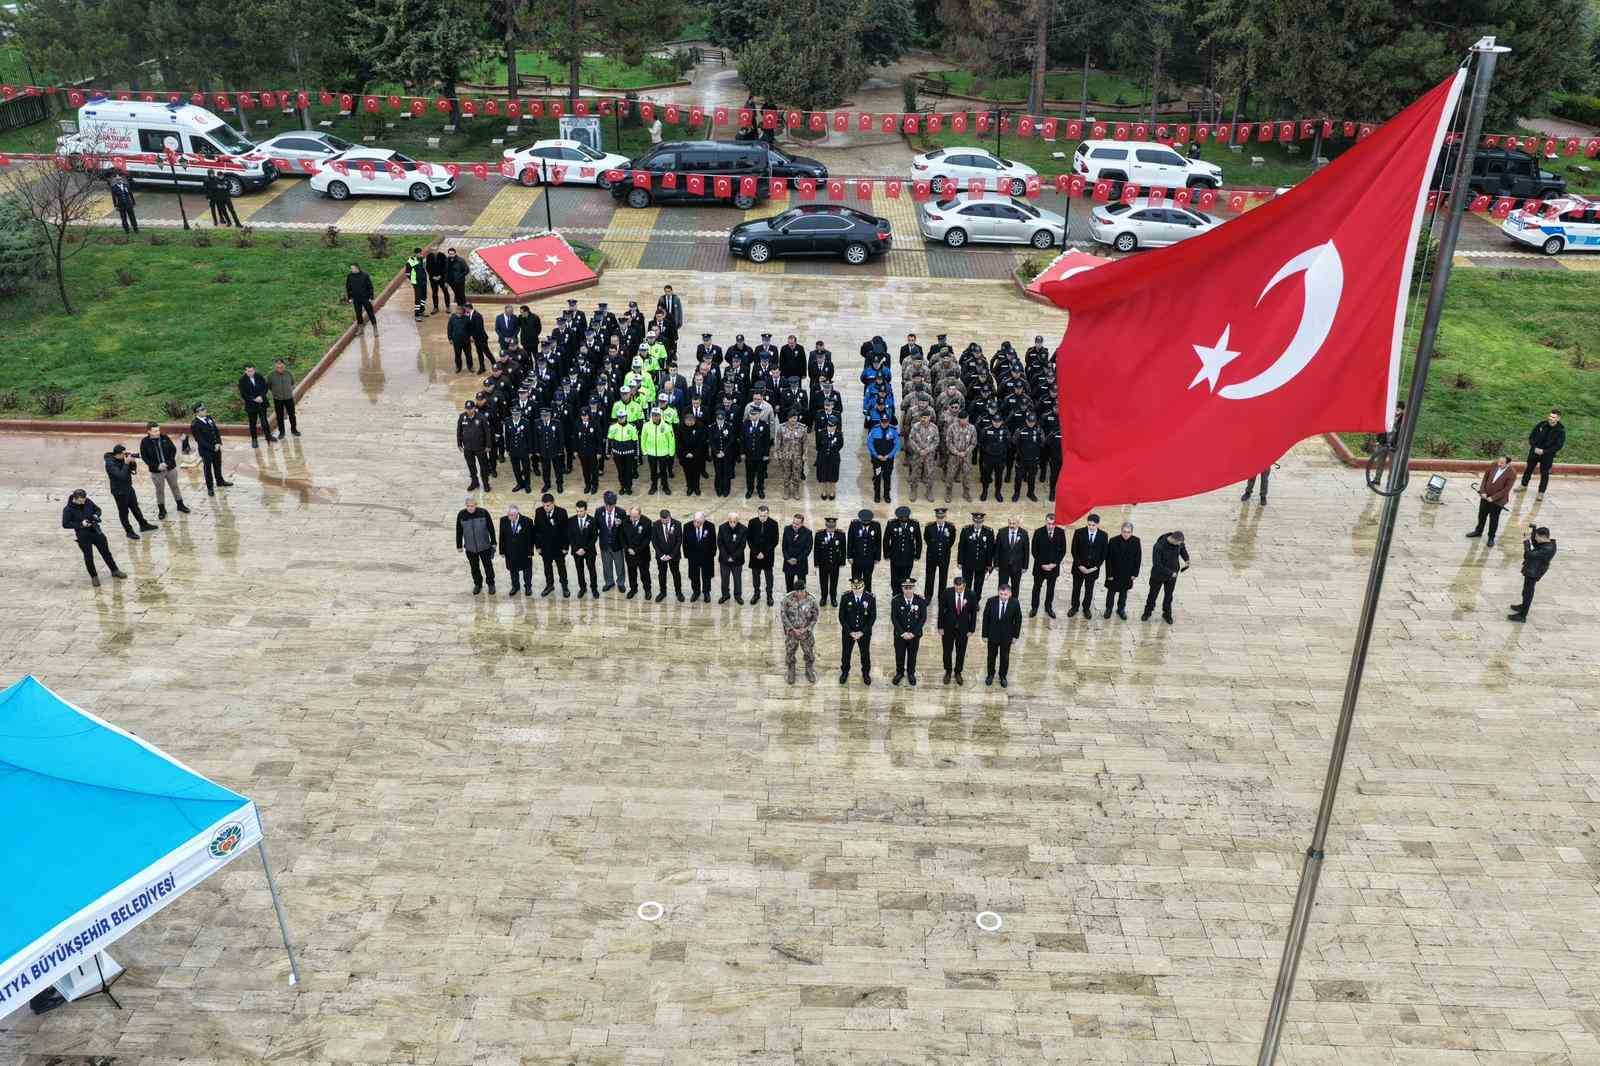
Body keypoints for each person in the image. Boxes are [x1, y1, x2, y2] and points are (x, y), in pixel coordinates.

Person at [62, 489, 126, 586]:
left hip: (96, 531)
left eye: (84, 499)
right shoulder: (68, 509)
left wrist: (96, 515)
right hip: (83, 535)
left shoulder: (88, 501)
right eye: (80, 500)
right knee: (88, 557)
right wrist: (81, 524)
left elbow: (98, 509)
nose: (83, 502)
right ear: (75, 499)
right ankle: (94, 577)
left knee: (106, 553)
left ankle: (114, 570)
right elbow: (65, 524)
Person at [103, 445, 158, 539]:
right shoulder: (110, 463)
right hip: (119, 491)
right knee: (124, 512)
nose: (125, 455)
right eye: (124, 454)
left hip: (128, 488)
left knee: (135, 508)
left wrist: (132, 463)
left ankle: (143, 525)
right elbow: (121, 476)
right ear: (118, 454)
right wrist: (126, 463)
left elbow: (132, 470)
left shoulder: (123, 459)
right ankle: (129, 531)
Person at [138, 422, 189, 519]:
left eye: (158, 430)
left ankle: (180, 505)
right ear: (149, 431)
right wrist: (157, 466)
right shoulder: (145, 442)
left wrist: (167, 463)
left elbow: (172, 450)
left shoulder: (165, 438)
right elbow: (145, 457)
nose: (158, 432)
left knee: (175, 486)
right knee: (159, 490)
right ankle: (162, 510)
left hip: (170, 468)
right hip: (156, 471)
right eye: (155, 431)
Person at [1508, 526, 1556, 622]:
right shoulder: (1548, 543)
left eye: (1537, 536)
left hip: (1534, 572)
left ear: (1543, 537)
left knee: (1528, 593)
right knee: (1525, 591)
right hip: (1533, 569)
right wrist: (1534, 530)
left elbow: (1528, 555)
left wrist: (1526, 541)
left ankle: (1522, 616)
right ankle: (1523, 606)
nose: (1535, 538)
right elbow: (1536, 544)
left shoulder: (1546, 549)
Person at [1141, 531, 1190, 624]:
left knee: (1169, 595)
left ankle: (1167, 614)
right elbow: (1157, 564)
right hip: (1158, 575)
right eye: (1179, 543)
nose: (1180, 545)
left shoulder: (1179, 543)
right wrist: (1170, 573)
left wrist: (1187, 559)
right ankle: (1147, 613)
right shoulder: (1159, 546)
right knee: (1153, 595)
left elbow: (1183, 549)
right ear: (1174, 540)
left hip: (1172, 576)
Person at [1467, 455, 1515, 546]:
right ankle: (1478, 531)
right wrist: (1483, 491)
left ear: (1508, 464)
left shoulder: (1512, 473)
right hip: (1485, 497)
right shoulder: (1493, 465)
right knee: (1482, 515)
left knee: (1494, 519)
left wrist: (1493, 498)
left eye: (1502, 463)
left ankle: (1491, 537)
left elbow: (1506, 490)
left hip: (1498, 501)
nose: (1499, 464)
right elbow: (1485, 478)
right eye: (1499, 462)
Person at [938, 575, 977, 685]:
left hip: (963, 629)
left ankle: (958, 672)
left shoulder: (971, 594)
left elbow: (973, 613)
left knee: (961, 651)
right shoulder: (947, 592)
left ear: (964, 585)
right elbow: (941, 610)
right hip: (948, 627)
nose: (958, 590)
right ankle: (948, 671)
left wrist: (972, 629)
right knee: (947, 650)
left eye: (960, 588)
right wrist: (940, 627)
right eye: (956, 587)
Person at [982, 583, 1023, 688]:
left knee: (1005, 658)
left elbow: (1018, 620)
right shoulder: (991, 601)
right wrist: (984, 635)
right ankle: (990, 674)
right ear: (998, 593)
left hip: (1007, 636)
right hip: (992, 635)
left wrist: (1015, 636)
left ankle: (1003, 676)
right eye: (1001, 594)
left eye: (1005, 594)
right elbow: (986, 618)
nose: (1003, 596)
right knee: (991, 657)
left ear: (1010, 594)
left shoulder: (1015, 603)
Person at [838, 576, 876, 685]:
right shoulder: (846, 597)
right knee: (846, 653)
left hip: (864, 632)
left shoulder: (870, 598)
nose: (856, 590)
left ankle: (865, 673)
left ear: (863, 586)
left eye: (859, 588)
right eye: (854, 588)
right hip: (848, 632)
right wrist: (850, 631)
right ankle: (845, 672)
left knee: (865, 653)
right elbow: (842, 617)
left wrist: (862, 632)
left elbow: (872, 617)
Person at [1068, 513, 1107, 618]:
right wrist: (1080, 565)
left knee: (1089, 590)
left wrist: (1094, 568)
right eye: (1089, 524)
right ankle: (1074, 607)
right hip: (1079, 568)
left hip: (1092, 570)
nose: (1091, 527)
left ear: (1098, 524)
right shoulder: (1079, 532)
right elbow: (1074, 551)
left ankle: (1086, 608)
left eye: (1093, 525)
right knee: (1076, 588)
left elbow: (1103, 554)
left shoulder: (1103, 535)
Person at [781, 585, 822, 684]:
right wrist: (792, 629)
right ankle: (791, 669)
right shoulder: (787, 599)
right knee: (790, 652)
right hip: (792, 632)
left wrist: (807, 629)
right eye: (797, 591)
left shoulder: (811, 600)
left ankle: (809, 669)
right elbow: (783, 615)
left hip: (806, 633)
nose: (799, 593)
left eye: (801, 590)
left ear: (805, 589)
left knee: (809, 652)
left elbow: (815, 617)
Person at [456, 496, 498, 594]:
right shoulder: (461, 515)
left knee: (488, 566)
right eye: (468, 506)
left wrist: (494, 542)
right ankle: (478, 584)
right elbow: (459, 530)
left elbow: (491, 528)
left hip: (484, 546)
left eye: (472, 506)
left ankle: (491, 584)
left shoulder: (483, 513)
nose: (470, 508)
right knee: (474, 568)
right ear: (466, 506)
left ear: (476, 505)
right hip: (470, 548)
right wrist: (459, 545)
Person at [1520, 409, 1565, 498]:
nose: (1551, 418)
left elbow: (1558, 446)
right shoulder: (1541, 425)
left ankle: (1541, 492)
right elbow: (1532, 436)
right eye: (1550, 416)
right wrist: (1534, 447)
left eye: (1553, 417)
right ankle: (1523, 485)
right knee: (1528, 469)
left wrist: (1544, 451)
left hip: (1547, 455)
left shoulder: (1561, 431)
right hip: (1535, 452)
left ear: (1558, 418)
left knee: (1544, 473)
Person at [891, 579, 928, 686]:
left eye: (910, 588)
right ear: (902, 589)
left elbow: (923, 618)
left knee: (912, 655)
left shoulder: (920, 601)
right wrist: (902, 633)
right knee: (899, 655)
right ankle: (899, 673)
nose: (908, 591)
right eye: (905, 588)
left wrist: (913, 633)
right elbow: (894, 618)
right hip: (900, 635)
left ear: (913, 588)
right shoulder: (896, 600)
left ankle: (911, 673)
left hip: (914, 635)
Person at [532, 494, 570, 596]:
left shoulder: (562, 512)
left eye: (548, 505)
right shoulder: (539, 511)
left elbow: (566, 531)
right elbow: (536, 531)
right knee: (547, 567)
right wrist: (538, 546)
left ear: (553, 503)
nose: (546, 507)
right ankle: (549, 585)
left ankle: (564, 586)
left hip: (559, 547)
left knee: (561, 567)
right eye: (544, 505)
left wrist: (566, 547)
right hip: (545, 547)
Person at [189, 402, 231, 495]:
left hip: (216, 447)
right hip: (206, 451)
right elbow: (200, 440)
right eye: (202, 410)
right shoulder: (195, 424)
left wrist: (219, 443)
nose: (205, 411)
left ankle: (220, 481)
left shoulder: (209, 418)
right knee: (208, 469)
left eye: (205, 408)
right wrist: (213, 447)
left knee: (217, 465)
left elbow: (216, 431)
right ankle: (210, 487)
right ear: (197, 412)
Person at [1103, 522, 1141, 619]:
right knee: (1111, 593)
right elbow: (1108, 559)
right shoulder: (1113, 540)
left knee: (1124, 593)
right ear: (1121, 531)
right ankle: (1108, 609)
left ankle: (1121, 609)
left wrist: (1135, 574)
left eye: (1128, 532)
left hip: (1127, 574)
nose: (1126, 534)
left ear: (1131, 532)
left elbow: (1138, 558)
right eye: (1124, 532)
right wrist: (1109, 574)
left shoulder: (1136, 541)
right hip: (1114, 573)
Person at [1030, 513, 1066, 617]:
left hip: (1053, 567)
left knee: (1051, 588)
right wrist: (1042, 564)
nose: (1050, 526)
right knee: (1036, 587)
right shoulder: (1038, 532)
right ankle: (1034, 607)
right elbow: (1034, 550)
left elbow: (1063, 551)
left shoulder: (1060, 532)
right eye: (1048, 523)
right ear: (1046, 521)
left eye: (1052, 524)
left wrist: (1054, 563)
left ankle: (1048, 607)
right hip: (1040, 567)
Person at [500, 504, 535, 596]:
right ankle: (515, 586)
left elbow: (531, 538)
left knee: (527, 571)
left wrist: (530, 552)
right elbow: (502, 536)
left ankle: (528, 587)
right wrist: (502, 550)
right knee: (513, 570)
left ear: (517, 514)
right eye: (508, 515)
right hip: (510, 551)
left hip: (524, 551)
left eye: (512, 515)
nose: (509, 517)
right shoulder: (503, 520)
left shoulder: (527, 521)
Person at [747, 504, 779, 606]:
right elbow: (749, 539)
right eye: (760, 515)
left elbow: (775, 541)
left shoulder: (774, 524)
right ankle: (756, 594)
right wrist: (757, 552)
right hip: (755, 555)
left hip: (768, 555)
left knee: (769, 576)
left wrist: (763, 553)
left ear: (768, 514)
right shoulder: (752, 522)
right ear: (758, 514)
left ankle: (769, 595)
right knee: (755, 575)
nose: (762, 518)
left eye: (764, 516)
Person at [568, 499, 600, 598]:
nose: (579, 513)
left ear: (585, 510)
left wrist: (584, 549)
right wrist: (577, 549)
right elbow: (570, 537)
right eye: (577, 511)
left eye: (581, 511)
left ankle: (594, 588)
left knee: (592, 570)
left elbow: (594, 537)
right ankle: (582, 588)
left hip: (589, 551)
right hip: (577, 551)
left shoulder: (592, 520)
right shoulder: (571, 520)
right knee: (579, 570)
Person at [958, 512, 994, 600]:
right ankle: (966, 599)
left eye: (980, 522)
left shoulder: (988, 532)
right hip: (967, 563)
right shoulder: (966, 530)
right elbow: (961, 547)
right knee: (967, 583)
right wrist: (960, 561)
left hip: (981, 564)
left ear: (982, 521)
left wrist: (989, 564)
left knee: (978, 584)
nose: (978, 524)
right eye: (976, 522)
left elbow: (990, 549)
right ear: (973, 521)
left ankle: (976, 601)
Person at [884, 505, 921, 591]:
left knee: (906, 577)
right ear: (898, 517)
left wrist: (917, 555)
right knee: (894, 577)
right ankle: (895, 593)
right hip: (895, 556)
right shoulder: (891, 524)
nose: (904, 520)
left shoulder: (915, 524)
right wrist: (887, 554)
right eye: (902, 518)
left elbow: (918, 540)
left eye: (906, 518)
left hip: (908, 556)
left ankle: (903, 593)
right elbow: (886, 540)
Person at [457, 400, 492, 492]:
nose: (469, 411)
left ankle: (485, 483)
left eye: (470, 409)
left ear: (474, 408)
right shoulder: (462, 417)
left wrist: (488, 445)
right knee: (471, 466)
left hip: (480, 447)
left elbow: (487, 432)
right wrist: (459, 443)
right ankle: (474, 482)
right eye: (467, 409)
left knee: (483, 466)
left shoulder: (481, 417)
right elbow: (459, 431)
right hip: (468, 447)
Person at [597, 492, 628, 593]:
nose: (609, 507)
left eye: (611, 505)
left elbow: (624, 529)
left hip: (617, 545)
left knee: (620, 566)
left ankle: (621, 583)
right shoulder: (599, 511)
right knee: (606, 565)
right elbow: (596, 526)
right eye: (607, 505)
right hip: (605, 545)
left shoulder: (621, 512)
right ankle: (609, 582)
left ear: (615, 504)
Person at [922, 507, 956, 600]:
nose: (940, 519)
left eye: (942, 517)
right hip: (932, 556)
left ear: (945, 516)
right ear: (936, 517)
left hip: (944, 556)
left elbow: (951, 541)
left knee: (943, 577)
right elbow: (927, 539)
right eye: (938, 517)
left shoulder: (951, 528)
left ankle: (941, 596)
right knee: (929, 576)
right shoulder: (929, 527)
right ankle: (928, 596)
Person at [651, 508, 684, 602]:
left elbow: (679, 540)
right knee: (662, 574)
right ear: (660, 518)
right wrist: (661, 555)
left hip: (674, 555)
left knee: (676, 574)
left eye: (666, 520)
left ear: (669, 517)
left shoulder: (677, 524)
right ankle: (662, 592)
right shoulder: (655, 525)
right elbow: (654, 541)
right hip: (661, 556)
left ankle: (678, 592)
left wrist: (672, 555)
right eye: (663, 520)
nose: (664, 522)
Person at [238, 363, 275, 446]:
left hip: (261, 403)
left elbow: (265, 387)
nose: (250, 373)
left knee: (264, 421)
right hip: (251, 405)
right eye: (248, 371)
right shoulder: (242, 380)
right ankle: (254, 440)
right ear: (245, 371)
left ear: (254, 370)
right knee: (252, 423)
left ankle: (268, 436)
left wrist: (261, 396)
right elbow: (243, 394)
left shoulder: (259, 376)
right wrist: (254, 399)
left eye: (252, 371)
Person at [847, 508, 882, 593]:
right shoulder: (854, 525)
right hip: (856, 558)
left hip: (869, 558)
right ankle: (855, 594)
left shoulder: (876, 526)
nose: (866, 523)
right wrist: (849, 556)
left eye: (868, 521)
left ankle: (867, 595)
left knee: (868, 578)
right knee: (856, 579)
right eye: (864, 521)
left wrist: (877, 557)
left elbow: (878, 542)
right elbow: (850, 541)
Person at [622, 505, 654, 599]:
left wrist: (636, 550)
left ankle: (647, 590)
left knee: (644, 574)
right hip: (629, 554)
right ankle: (633, 589)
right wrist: (627, 548)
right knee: (631, 573)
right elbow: (622, 536)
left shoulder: (647, 522)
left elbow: (647, 540)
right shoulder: (625, 520)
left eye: (635, 517)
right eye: (631, 516)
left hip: (642, 554)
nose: (632, 519)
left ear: (640, 515)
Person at [684, 511, 716, 602]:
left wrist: (712, 555)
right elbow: (685, 542)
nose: (696, 524)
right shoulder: (687, 526)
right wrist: (687, 555)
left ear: (703, 520)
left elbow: (713, 542)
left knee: (706, 575)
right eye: (694, 521)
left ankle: (706, 592)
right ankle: (696, 592)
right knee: (694, 575)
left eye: (698, 522)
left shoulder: (710, 526)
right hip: (693, 557)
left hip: (706, 557)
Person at [642, 409, 676, 495]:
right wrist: (644, 450)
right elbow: (643, 438)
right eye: (653, 415)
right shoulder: (646, 426)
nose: (655, 417)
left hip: (663, 453)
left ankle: (665, 486)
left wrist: (671, 453)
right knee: (653, 471)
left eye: (657, 415)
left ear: (660, 416)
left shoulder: (667, 426)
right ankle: (654, 486)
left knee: (663, 471)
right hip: (651, 453)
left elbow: (671, 440)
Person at [994, 516, 1029, 598]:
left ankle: (1013, 604)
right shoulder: (1002, 532)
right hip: (1004, 566)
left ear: (1018, 523)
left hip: (1017, 566)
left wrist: (1025, 566)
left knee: (1015, 587)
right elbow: (997, 549)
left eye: (1014, 523)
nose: (1012, 525)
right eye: (1010, 523)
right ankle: (1001, 601)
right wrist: (996, 564)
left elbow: (1026, 551)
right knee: (1002, 586)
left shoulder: (1024, 533)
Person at [867, 416, 900, 502]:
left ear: (888, 422)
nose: (884, 424)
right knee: (877, 477)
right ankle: (877, 495)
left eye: (886, 422)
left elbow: (897, 445)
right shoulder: (874, 430)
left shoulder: (893, 431)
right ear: (880, 421)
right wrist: (876, 455)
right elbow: (869, 443)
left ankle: (887, 495)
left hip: (888, 460)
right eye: (882, 422)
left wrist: (889, 456)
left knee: (887, 477)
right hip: (877, 460)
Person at [814, 515, 846, 606]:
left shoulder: (841, 535)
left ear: (835, 526)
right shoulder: (819, 535)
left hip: (835, 563)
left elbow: (843, 549)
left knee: (834, 581)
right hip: (823, 563)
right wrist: (816, 563)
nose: (831, 529)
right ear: (826, 525)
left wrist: (842, 562)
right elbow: (816, 550)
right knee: (823, 581)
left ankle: (833, 598)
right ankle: (823, 597)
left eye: (833, 527)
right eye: (829, 527)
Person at [774, 412, 808, 497]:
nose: (793, 420)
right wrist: (777, 453)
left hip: (797, 456)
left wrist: (805, 454)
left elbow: (805, 443)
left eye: (795, 418)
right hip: (785, 456)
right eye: (792, 418)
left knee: (797, 474)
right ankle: (786, 490)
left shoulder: (802, 428)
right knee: (786, 474)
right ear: (788, 418)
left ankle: (796, 490)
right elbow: (778, 442)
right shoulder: (782, 428)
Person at [266, 360, 301, 438]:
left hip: (289, 398)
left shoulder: (288, 373)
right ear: (275, 367)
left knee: (292, 414)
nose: (280, 368)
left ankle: (294, 430)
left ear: (284, 366)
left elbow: (292, 382)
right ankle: (282, 432)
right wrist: (275, 392)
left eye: (281, 367)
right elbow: (269, 386)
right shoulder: (271, 375)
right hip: (278, 399)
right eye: (278, 367)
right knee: (279, 416)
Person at [717, 511, 748, 603]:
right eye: (730, 521)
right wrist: (727, 557)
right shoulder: (722, 528)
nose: (732, 524)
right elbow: (720, 543)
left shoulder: (743, 529)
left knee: (737, 579)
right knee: (724, 579)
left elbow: (742, 546)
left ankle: (738, 596)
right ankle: (725, 595)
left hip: (737, 560)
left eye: (734, 521)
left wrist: (733, 557)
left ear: (738, 520)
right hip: (724, 559)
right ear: (728, 520)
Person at [607, 412, 640, 494]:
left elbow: (635, 442)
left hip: (629, 454)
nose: (621, 419)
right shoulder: (613, 427)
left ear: (626, 417)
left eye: (623, 417)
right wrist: (608, 452)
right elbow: (609, 440)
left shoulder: (632, 427)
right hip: (617, 454)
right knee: (620, 471)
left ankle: (628, 487)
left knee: (628, 471)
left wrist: (636, 454)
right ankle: (622, 487)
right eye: (619, 417)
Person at [535, 408, 566, 493]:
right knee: (545, 469)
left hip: (555, 451)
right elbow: (536, 438)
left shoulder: (556, 423)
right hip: (543, 451)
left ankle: (559, 484)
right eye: (543, 416)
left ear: (550, 415)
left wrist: (560, 450)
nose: (544, 417)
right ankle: (547, 484)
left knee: (558, 469)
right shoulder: (537, 423)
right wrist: (537, 450)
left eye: (546, 416)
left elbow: (561, 438)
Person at [742, 413, 771, 498]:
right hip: (749, 454)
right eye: (751, 414)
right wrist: (742, 452)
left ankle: (760, 489)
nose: (753, 416)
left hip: (760, 455)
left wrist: (766, 454)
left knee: (760, 474)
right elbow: (742, 439)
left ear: (758, 415)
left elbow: (767, 441)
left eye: (755, 415)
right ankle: (750, 489)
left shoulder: (764, 425)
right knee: (749, 474)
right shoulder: (745, 424)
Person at [782, 512, 813, 592]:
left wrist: (797, 560)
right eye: (794, 522)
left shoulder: (808, 533)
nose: (795, 525)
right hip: (788, 563)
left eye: (797, 524)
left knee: (801, 586)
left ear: (802, 523)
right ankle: (790, 601)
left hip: (801, 563)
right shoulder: (787, 529)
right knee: (789, 586)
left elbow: (808, 549)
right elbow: (784, 546)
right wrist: (788, 558)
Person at [814, 419, 843, 500]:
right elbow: (818, 445)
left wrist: (832, 451)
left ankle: (832, 491)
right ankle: (823, 491)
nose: (830, 428)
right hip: (823, 457)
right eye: (829, 426)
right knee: (823, 476)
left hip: (834, 458)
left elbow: (840, 445)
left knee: (833, 476)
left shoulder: (839, 434)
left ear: (835, 426)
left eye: (832, 426)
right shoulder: (821, 433)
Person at [345, 263, 378, 332]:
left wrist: (371, 297)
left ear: (357, 268)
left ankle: (375, 328)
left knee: (370, 313)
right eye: (351, 268)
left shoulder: (365, 275)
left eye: (353, 268)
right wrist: (350, 298)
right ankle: (360, 329)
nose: (351, 270)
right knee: (358, 314)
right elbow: (348, 287)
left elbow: (370, 287)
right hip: (356, 299)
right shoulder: (350, 276)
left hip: (365, 298)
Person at [447, 305, 473, 373]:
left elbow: (470, 329)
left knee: (468, 354)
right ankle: (458, 367)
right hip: (456, 341)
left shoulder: (467, 318)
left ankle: (470, 367)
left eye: (460, 310)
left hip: (466, 341)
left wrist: (471, 336)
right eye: (457, 310)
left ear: (463, 311)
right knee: (457, 355)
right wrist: (450, 338)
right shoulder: (452, 318)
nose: (459, 311)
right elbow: (449, 329)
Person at [424, 247, 451, 314]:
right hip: (433, 279)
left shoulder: (442, 255)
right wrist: (432, 276)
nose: (434, 251)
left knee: (445, 291)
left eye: (435, 249)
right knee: (434, 293)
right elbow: (427, 267)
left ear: (438, 249)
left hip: (442, 278)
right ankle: (435, 307)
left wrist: (440, 276)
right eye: (433, 250)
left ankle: (448, 307)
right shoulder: (429, 256)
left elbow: (445, 267)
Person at [465, 303, 491, 371]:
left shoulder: (477, 315)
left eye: (465, 308)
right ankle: (482, 367)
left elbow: (478, 328)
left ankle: (495, 364)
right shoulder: (470, 315)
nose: (465, 310)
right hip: (477, 339)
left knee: (487, 353)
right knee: (479, 353)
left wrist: (472, 336)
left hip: (481, 338)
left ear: (468, 308)